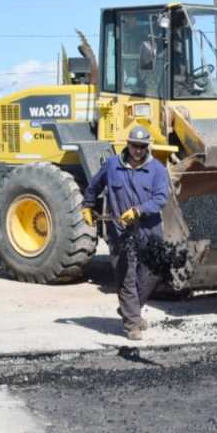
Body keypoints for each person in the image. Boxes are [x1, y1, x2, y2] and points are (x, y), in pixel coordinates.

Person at [82, 126, 170, 340]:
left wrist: (139, 210)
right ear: (127, 144)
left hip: (149, 231)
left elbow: (161, 198)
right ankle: (132, 324)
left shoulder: (157, 170)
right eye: (134, 145)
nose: (137, 150)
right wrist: (87, 205)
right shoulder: (112, 165)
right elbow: (94, 185)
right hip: (120, 231)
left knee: (151, 274)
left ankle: (131, 310)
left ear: (147, 147)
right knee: (126, 276)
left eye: (142, 146)